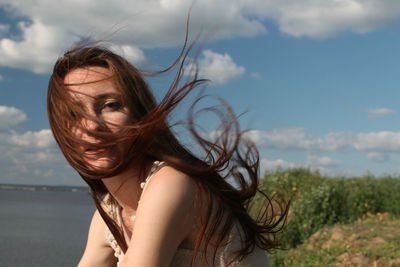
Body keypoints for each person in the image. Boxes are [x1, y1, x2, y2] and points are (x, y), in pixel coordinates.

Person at [47, 38, 288, 267]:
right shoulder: (109, 216)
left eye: (110, 105)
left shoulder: (170, 184)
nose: (91, 125)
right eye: (73, 115)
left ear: (140, 114)